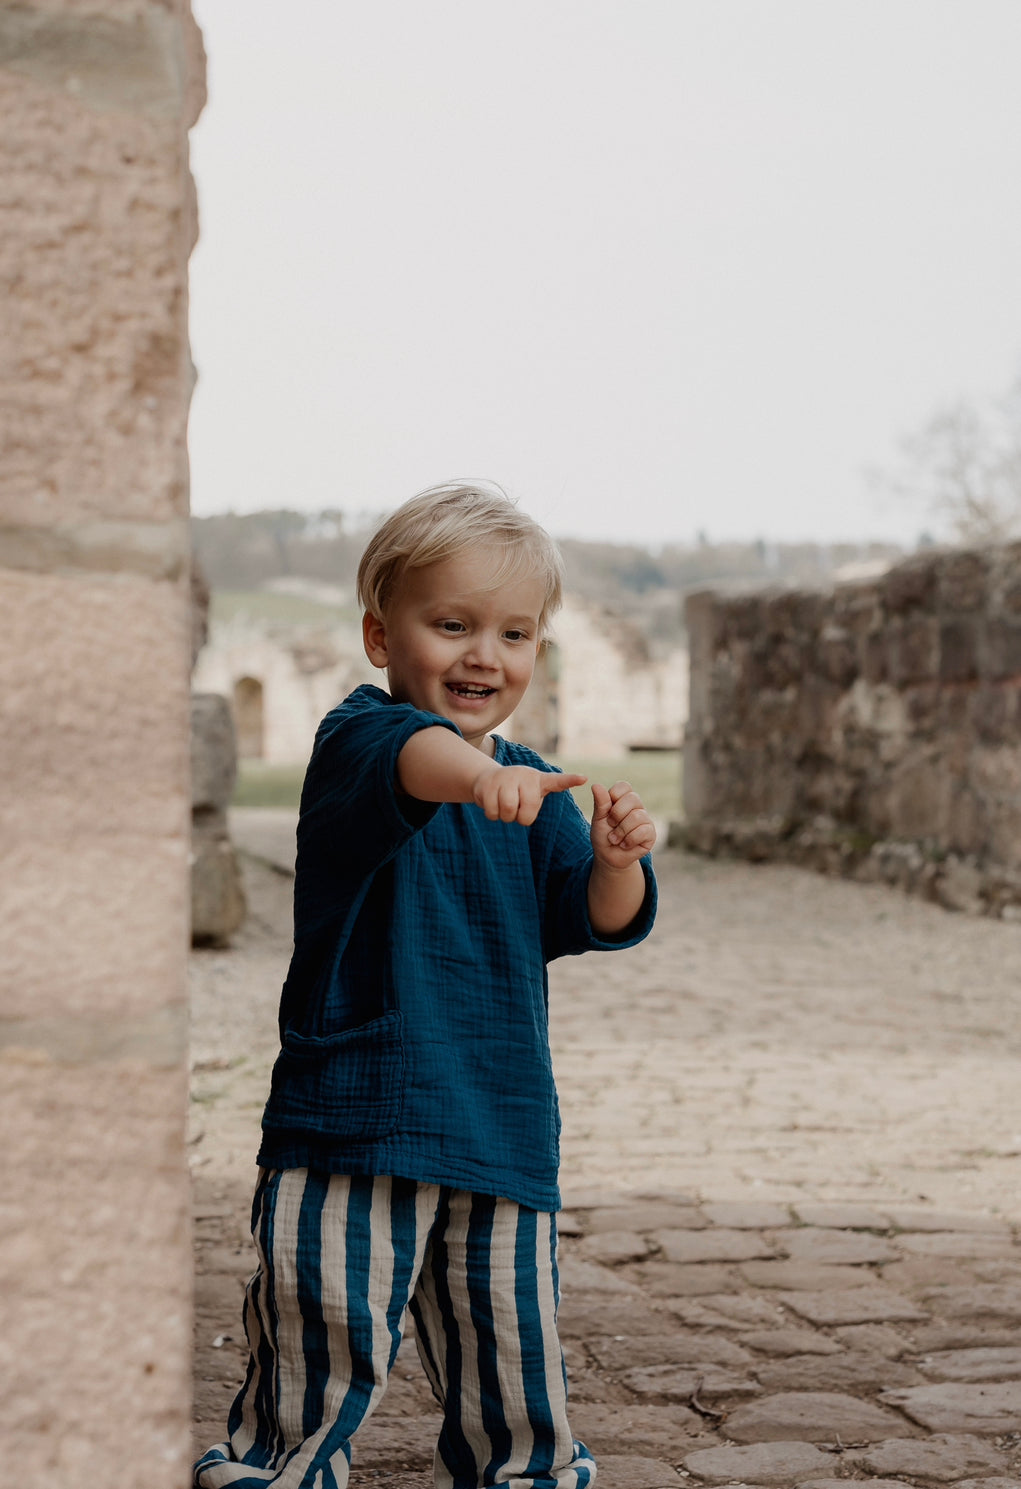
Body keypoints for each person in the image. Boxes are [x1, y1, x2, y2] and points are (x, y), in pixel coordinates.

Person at [194, 481, 658, 1489]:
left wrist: (617, 861)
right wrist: (478, 776)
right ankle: (281, 1467)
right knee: (321, 1329)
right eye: (451, 625)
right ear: (379, 633)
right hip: (353, 1116)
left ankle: (526, 1472)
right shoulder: (359, 743)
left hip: (498, 1119)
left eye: (514, 632)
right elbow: (420, 759)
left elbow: (594, 919)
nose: (484, 654)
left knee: (511, 1351)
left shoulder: (529, 780)